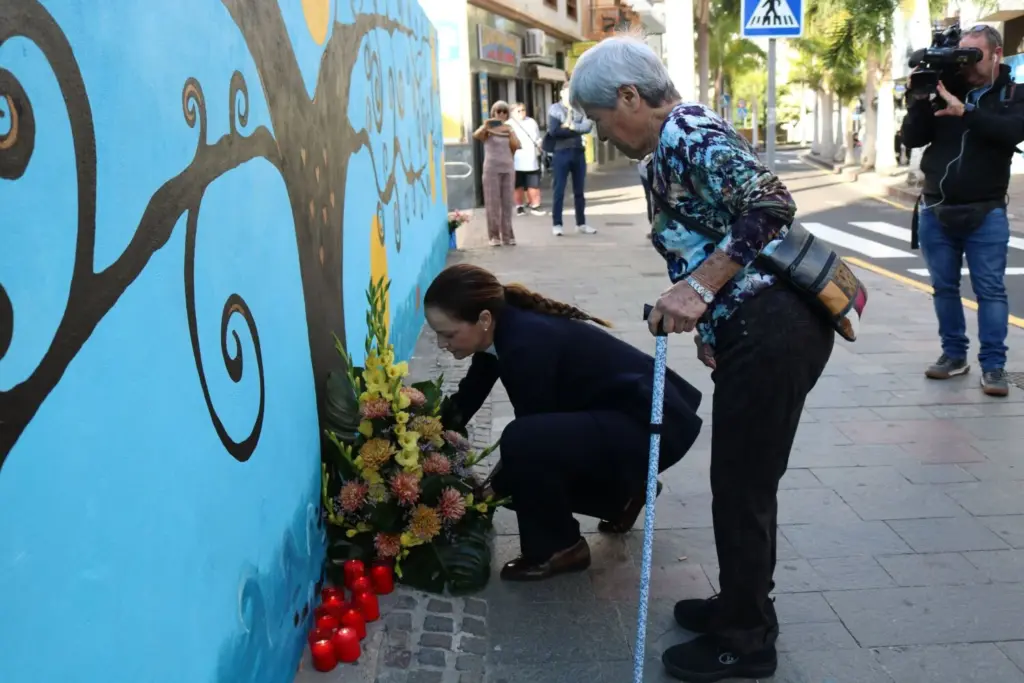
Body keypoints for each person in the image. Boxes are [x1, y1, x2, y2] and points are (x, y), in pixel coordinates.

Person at [571, 36, 834, 682]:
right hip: (750, 325)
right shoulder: (663, 152)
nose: (603, 136)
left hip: (776, 324)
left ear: (630, 96)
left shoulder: (689, 132)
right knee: (736, 481)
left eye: (603, 120)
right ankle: (739, 604)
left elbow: (771, 204)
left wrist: (700, 289)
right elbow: (701, 234)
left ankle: (747, 639)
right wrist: (709, 315)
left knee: (743, 486)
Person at [423, 263, 703, 581]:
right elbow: (466, 400)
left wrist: (484, 495)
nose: (442, 344)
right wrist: (423, 435)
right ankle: (625, 494)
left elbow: (531, 441)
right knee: (524, 457)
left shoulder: (523, 343)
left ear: (483, 319)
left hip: (652, 428)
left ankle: (560, 547)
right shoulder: (503, 328)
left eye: (448, 334)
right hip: (629, 418)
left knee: (522, 448)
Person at [901, 24, 1022, 397]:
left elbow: (1011, 132)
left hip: (986, 211)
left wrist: (965, 111)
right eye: (961, 55)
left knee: (990, 291)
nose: (966, 64)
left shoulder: (1014, 93)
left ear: (996, 54)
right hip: (936, 208)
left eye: (975, 56)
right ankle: (954, 356)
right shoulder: (946, 86)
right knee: (944, 288)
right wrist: (922, 99)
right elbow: (912, 138)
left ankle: (994, 367)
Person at [548, 81, 596, 237]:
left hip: (578, 152)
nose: (570, 96)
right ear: (562, 93)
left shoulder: (580, 109)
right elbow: (554, 131)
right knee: (559, 190)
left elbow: (587, 127)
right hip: (561, 152)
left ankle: (581, 223)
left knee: (579, 190)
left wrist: (570, 126)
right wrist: (576, 129)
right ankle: (557, 224)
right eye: (568, 92)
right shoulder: (555, 109)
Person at [473, 101, 520, 247]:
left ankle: (507, 234)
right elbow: (477, 135)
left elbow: (516, 145)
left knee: (507, 203)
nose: (501, 114)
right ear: (493, 112)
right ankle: (494, 235)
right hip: (491, 168)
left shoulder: (509, 128)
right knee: (492, 203)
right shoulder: (488, 128)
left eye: (504, 111)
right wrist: (486, 126)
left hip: (508, 168)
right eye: (498, 111)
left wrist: (510, 132)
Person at [508, 103, 545, 216]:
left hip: (531, 158)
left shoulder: (531, 122)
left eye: (523, 110)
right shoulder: (508, 124)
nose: (521, 113)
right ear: (512, 112)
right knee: (518, 185)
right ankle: (519, 206)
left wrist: (539, 145)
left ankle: (535, 205)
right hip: (516, 160)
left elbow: (538, 137)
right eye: (518, 111)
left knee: (533, 184)